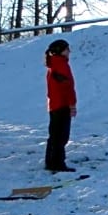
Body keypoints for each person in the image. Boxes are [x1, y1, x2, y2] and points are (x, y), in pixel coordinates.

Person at [44, 38, 78, 172]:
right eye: (67, 49)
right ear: (60, 51)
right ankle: (58, 163)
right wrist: (72, 104)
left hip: (54, 104)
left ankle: (51, 162)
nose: (69, 51)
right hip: (62, 105)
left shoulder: (53, 65)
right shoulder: (61, 65)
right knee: (61, 136)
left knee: (54, 135)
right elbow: (67, 87)